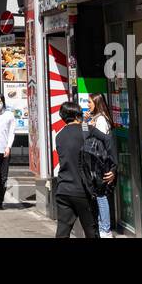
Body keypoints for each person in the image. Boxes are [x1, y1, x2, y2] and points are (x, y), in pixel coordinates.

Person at [53, 101, 98, 238]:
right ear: (77, 115)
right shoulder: (85, 130)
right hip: (82, 190)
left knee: (62, 231)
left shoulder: (59, 136)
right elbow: (106, 139)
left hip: (63, 189)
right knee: (91, 231)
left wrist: (84, 122)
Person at [84, 93, 119, 237]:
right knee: (99, 195)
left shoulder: (101, 120)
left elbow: (104, 143)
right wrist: (86, 123)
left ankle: (105, 229)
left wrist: (112, 167)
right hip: (97, 163)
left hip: (101, 164)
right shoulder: (95, 119)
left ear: (97, 103)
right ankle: (102, 226)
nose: (87, 105)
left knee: (101, 195)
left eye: (90, 102)